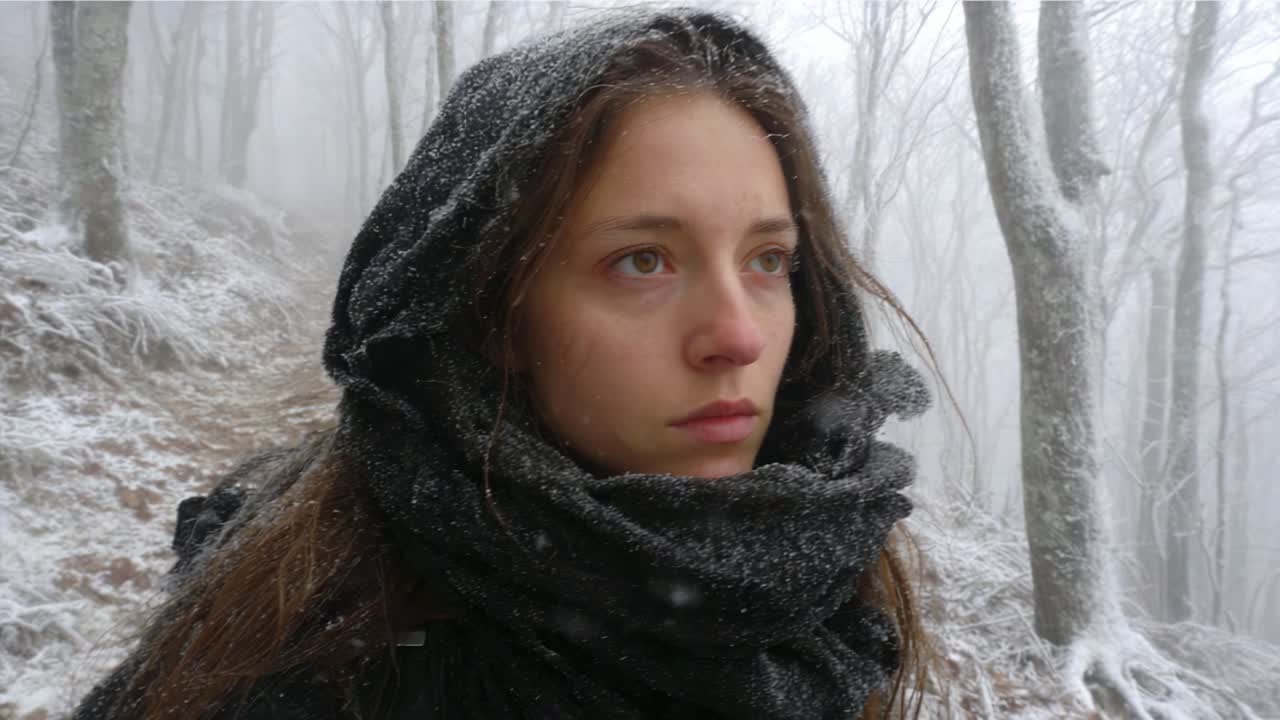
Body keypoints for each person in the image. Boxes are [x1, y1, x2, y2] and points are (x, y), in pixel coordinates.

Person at [73, 8, 932, 719]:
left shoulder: (826, 572)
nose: (737, 338)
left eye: (768, 260)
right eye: (642, 260)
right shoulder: (323, 676)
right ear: (493, 315)